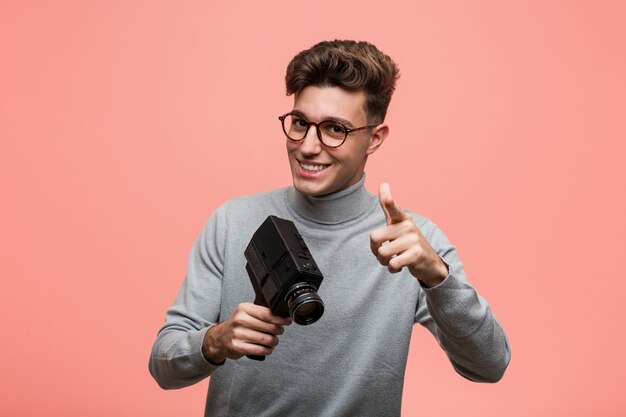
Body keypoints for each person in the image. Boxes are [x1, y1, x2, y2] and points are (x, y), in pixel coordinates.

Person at [149, 40, 510, 416]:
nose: (307, 146)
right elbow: (163, 365)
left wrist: (437, 277)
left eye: (334, 129)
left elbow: (490, 364)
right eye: (301, 123)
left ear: (375, 138)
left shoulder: (414, 243)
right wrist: (213, 342)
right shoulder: (231, 221)